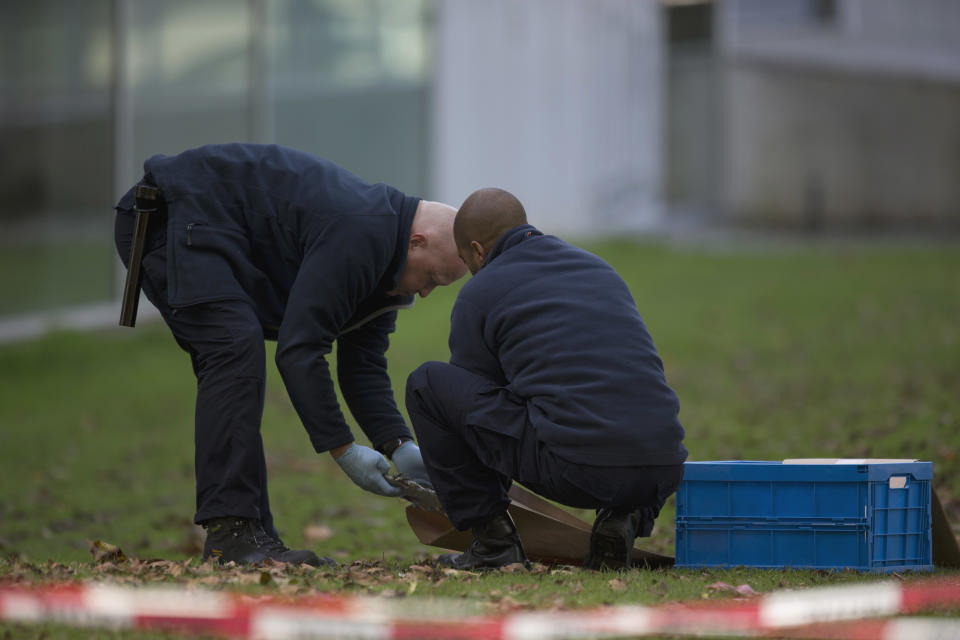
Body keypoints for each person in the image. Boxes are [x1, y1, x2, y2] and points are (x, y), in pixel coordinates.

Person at [114, 143, 467, 566]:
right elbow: (300, 349)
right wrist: (343, 450)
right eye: (431, 277)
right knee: (233, 346)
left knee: (236, 348)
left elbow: (363, 365)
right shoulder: (360, 233)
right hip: (170, 214)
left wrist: (398, 443)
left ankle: (253, 535)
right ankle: (233, 533)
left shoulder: (386, 263)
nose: (426, 292)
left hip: (214, 227)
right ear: (416, 241)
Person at [405, 188, 688, 571]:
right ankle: (625, 517)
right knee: (616, 407)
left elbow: (477, 415)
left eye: (465, 258)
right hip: (663, 466)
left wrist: (468, 490)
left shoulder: (482, 292)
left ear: (477, 249)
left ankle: (493, 544)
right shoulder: (597, 267)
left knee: (428, 386)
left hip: (577, 468)